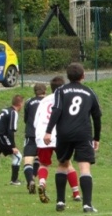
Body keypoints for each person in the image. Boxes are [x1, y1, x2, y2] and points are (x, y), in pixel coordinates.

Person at [43, 63, 102, 213]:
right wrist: (96, 138)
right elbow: (97, 116)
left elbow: (56, 110)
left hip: (64, 133)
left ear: (68, 76)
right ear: (83, 75)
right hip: (83, 133)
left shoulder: (60, 90)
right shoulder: (89, 92)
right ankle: (87, 205)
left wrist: (48, 131)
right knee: (84, 167)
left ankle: (60, 202)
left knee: (62, 164)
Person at [34, 76, 81, 204]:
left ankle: (42, 183)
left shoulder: (44, 101)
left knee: (43, 164)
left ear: (51, 88)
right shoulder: (66, 98)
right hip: (59, 135)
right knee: (67, 163)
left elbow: (36, 121)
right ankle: (76, 193)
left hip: (43, 135)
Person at [22, 83, 47, 194]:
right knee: (40, 159)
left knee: (28, 160)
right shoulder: (48, 101)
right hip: (43, 135)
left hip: (31, 133)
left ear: (34, 92)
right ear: (45, 91)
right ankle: (35, 178)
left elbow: (26, 119)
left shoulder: (29, 102)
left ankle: (30, 180)